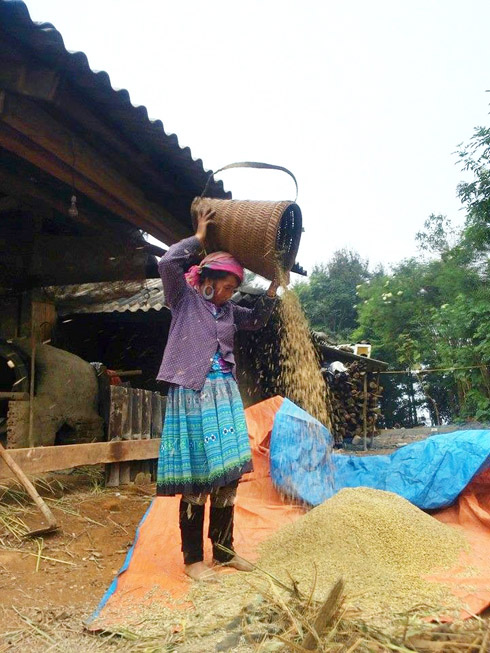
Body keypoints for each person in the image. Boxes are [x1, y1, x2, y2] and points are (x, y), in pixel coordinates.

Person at [156, 206, 279, 581]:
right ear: (205, 278)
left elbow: (256, 320)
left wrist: (272, 290)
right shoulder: (184, 299)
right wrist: (198, 238)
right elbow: (167, 262)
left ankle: (224, 552)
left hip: (224, 395)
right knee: (198, 476)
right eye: (223, 286)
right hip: (193, 393)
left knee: (227, 475)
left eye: (232, 289)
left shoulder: (228, 312)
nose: (227, 294)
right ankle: (193, 559)